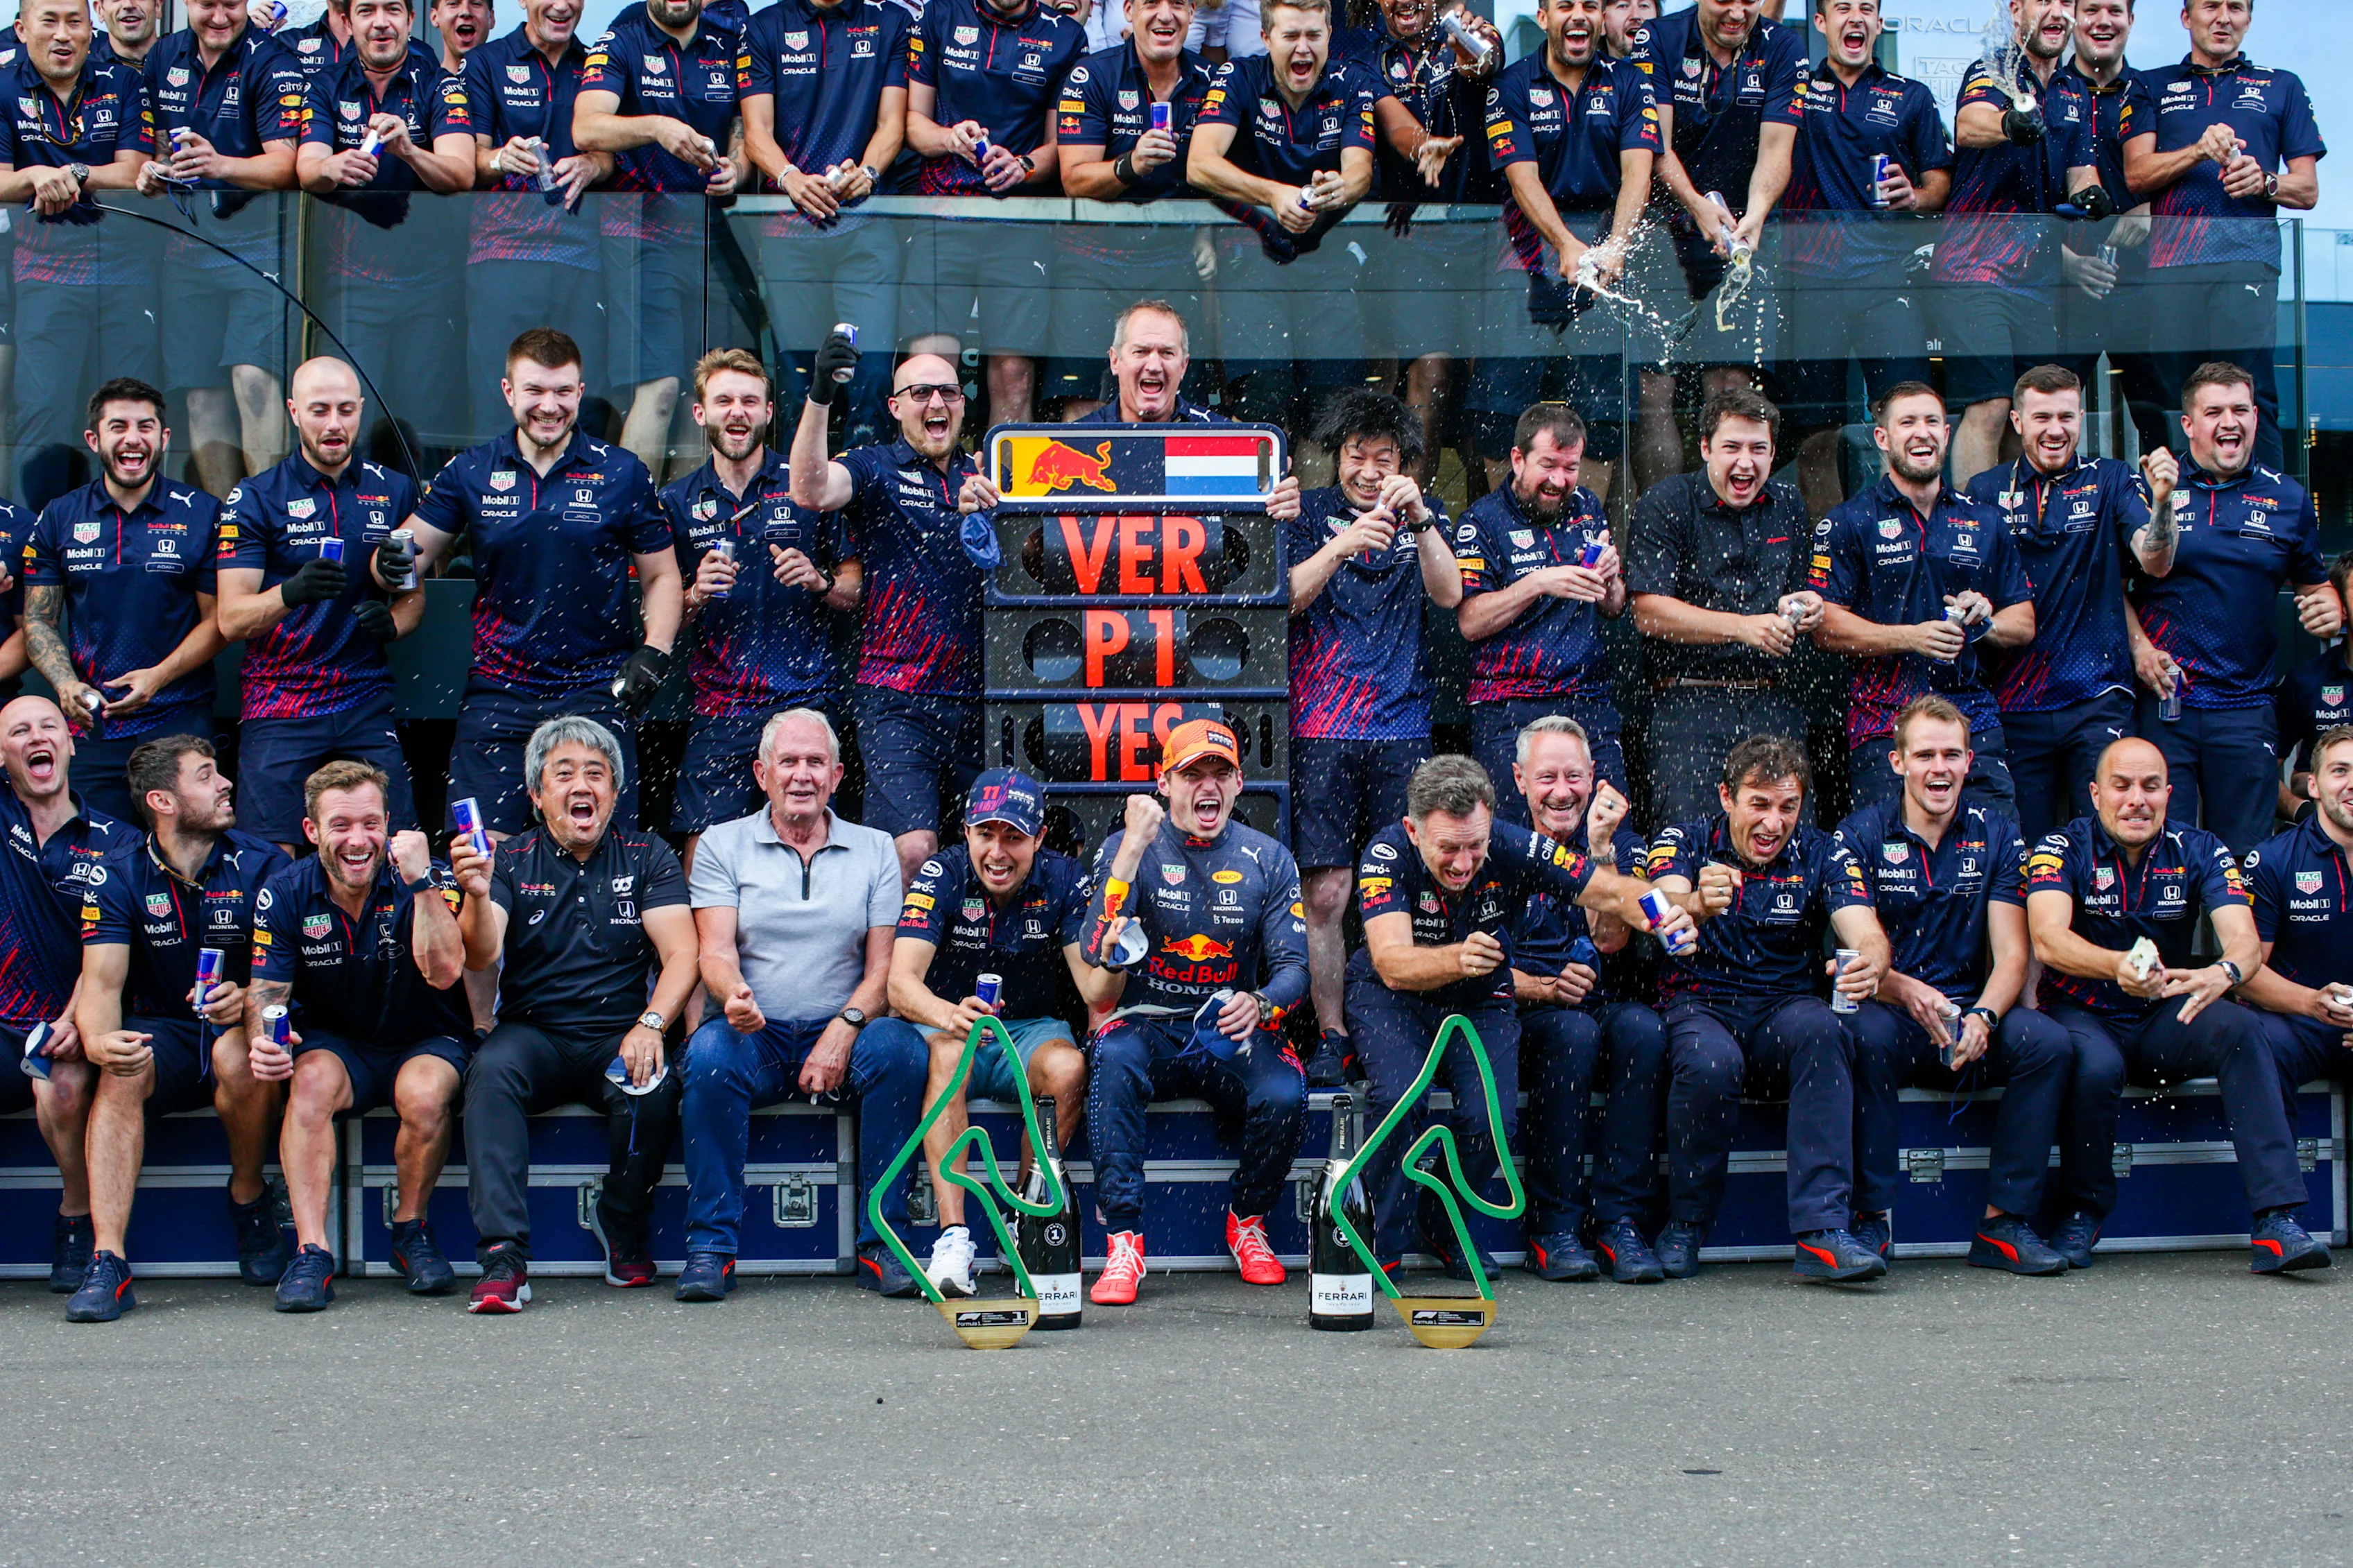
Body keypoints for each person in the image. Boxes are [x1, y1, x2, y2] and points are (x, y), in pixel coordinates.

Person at [1350, 752, 1685, 1279]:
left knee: (1493, 1122)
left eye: (1475, 846)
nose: (1464, 863)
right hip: (1395, 995)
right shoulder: (1386, 852)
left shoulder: (1510, 841)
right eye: (1449, 849)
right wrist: (1456, 957)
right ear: (1415, 831)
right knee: (1398, 1099)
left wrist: (1663, 914)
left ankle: (1444, 1220)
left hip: (1481, 994)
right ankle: (1381, 1238)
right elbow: (1391, 963)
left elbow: (1608, 889)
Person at [2026, 735, 2330, 1275]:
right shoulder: (2059, 847)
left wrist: (2226, 971)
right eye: (2121, 786)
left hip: (2166, 1013)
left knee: (2241, 1027)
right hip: (2084, 1010)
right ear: (2095, 793)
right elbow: (2047, 938)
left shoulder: (2201, 847)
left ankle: (2277, 1219)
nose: (2136, 800)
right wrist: (2116, 965)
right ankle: (2082, 1210)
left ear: (2170, 793)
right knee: (2096, 1064)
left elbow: (2239, 935)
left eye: (2150, 787)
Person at [449, 716, 698, 1312]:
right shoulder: (509, 860)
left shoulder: (648, 853)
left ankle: (621, 1216)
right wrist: (477, 895)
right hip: (533, 1032)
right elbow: (482, 953)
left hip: (618, 1033)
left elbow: (683, 953)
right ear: (537, 795)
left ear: (614, 792)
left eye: (596, 773)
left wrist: (652, 1022)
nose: (581, 784)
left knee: (655, 1086)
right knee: (489, 1073)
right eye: (563, 774)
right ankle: (503, 1254)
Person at [395, 327, 682, 837]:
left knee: (602, 852)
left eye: (562, 392)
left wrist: (656, 653)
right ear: (509, 391)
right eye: (534, 391)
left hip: (596, 690)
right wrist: (379, 560)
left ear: (580, 390)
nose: (549, 406)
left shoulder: (622, 472)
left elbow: (662, 576)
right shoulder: (469, 471)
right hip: (498, 692)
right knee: (479, 857)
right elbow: (405, 556)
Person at [679, 708, 923, 1302]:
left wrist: (845, 1028)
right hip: (755, 1033)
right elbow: (712, 951)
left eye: (816, 762)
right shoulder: (721, 843)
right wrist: (730, 994)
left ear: (838, 775)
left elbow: (884, 968)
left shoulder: (874, 851)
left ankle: (882, 1240)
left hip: (845, 1028)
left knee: (902, 1049)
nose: (802, 775)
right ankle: (711, 1247)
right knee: (708, 1053)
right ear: (763, 774)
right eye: (788, 762)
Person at [1833, 696, 2076, 1275]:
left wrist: (1986, 1017)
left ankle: (2004, 1223)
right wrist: (1907, 990)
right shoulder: (1858, 833)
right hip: (1892, 1011)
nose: (1938, 769)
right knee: (1856, 1032)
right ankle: (1872, 1218)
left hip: (1970, 1018)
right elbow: (1857, 947)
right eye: (1924, 755)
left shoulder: (1998, 832)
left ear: (1971, 761)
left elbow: (2014, 953)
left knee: (2047, 1042)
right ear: (1897, 762)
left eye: (1951, 755)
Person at [1643, 732, 1892, 1282]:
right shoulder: (1685, 838)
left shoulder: (1824, 850)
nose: (1773, 823)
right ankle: (1686, 1220)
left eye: (1787, 807)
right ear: (1727, 797)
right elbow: (1660, 912)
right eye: (1759, 803)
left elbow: (1864, 931)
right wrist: (1695, 904)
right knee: (1712, 1063)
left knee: (1827, 1030)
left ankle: (1823, 1231)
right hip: (1700, 1004)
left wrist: (1870, 962)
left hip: (1783, 1008)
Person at [1079, 718, 1309, 1305]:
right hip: (1148, 1023)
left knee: (1285, 1090)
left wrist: (1258, 1003)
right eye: (1192, 774)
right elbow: (1093, 948)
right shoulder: (1127, 848)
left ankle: (1248, 1220)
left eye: (1220, 774)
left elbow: (1295, 970)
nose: (1207, 787)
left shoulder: (1269, 857)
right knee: (1112, 1053)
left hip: (1224, 1028)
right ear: (1165, 783)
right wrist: (1131, 848)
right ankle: (1125, 1239)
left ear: (1237, 784)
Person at [67, 735, 291, 1322]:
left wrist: (243, 998)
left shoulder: (266, 862)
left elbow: (287, 982)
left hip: (241, 1029)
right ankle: (108, 1259)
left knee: (238, 1057)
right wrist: (98, 1041)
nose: (225, 784)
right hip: (164, 1028)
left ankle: (247, 1196)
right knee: (121, 1065)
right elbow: (99, 987)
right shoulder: (118, 873)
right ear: (163, 801)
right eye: (207, 775)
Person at [871, 767, 1113, 1297]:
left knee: (1070, 1066)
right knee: (947, 1057)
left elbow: (1095, 991)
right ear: (966, 831)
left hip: (1029, 1029)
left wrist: (1114, 956)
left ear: (1040, 838)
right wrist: (944, 1013)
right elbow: (899, 985)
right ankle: (954, 1238)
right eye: (986, 833)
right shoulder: (942, 871)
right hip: (952, 1026)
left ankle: (1022, 1218)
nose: (998, 852)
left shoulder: (1067, 877)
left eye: (1014, 836)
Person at [243, 761, 469, 1310]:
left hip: (424, 1036)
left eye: (371, 823)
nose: (358, 839)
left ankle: (409, 1228)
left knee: (425, 1093)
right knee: (311, 1081)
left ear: (390, 825)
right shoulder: (285, 891)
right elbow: (266, 993)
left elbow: (444, 972)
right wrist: (265, 1041)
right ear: (312, 831)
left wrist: (421, 884)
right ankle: (312, 1252)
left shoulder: (428, 876)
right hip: (340, 1042)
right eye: (340, 825)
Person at [1286, 389, 1460, 1087]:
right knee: (1325, 892)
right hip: (1320, 725)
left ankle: (1397, 1025)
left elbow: (1448, 594)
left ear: (1401, 463)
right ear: (1338, 455)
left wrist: (1418, 518)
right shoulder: (1302, 514)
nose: (1366, 468)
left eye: (1380, 456)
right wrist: (1341, 543)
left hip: (1402, 727)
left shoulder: (1423, 517)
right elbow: (1285, 595)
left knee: (1402, 883)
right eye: (1355, 454)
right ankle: (1330, 1034)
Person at [789, 339, 996, 885]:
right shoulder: (874, 466)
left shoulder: (990, 471)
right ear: (895, 407)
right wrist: (819, 395)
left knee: (991, 852)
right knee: (913, 852)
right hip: (897, 698)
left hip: (986, 696)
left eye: (948, 391)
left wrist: (1003, 515)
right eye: (920, 392)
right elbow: (809, 489)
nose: (936, 402)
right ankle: (898, 973)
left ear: (962, 402)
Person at [214, 357, 426, 858]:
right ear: (293, 412)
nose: (334, 424)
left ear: (360, 410)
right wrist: (291, 593)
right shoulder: (255, 498)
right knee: (268, 860)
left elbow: (415, 599)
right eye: (319, 411)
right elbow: (230, 618)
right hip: (280, 699)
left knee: (399, 848)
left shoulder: (393, 489)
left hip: (363, 696)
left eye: (346, 410)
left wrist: (391, 624)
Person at [2127, 362, 2341, 854]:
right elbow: (2112, 589)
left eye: (2241, 409)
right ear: (2188, 424)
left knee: (2245, 864)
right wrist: (2139, 648)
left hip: (2246, 708)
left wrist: (2330, 609)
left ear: (2255, 417)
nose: (2231, 421)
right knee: (2161, 861)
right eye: (2215, 411)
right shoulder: (2151, 487)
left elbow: (2315, 588)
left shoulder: (2287, 496)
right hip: (2167, 703)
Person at [1965, 363, 2180, 845]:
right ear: (2018, 422)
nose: (2055, 429)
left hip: (2097, 700)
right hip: (2015, 703)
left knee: (2109, 843)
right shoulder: (1984, 491)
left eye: (2066, 416)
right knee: (2024, 852)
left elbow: (2156, 561)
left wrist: (2163, 501)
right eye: (2042, 417)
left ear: (2082, 417)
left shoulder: (2111, 479)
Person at [664, 349, 861, 843]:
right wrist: (693, 595)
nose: (738, 412)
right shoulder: (677, 501)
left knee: (812, 846)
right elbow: (660, 613)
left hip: (805, 703)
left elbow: (855, 592)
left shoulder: (806, 484)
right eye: (724, 400)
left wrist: (819, 581)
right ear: (700, 412)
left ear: (769, 413)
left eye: (750, 401)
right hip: (720, 706)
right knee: (704, 852)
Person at [1811, 381, 2035, 810]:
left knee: (1997, 861)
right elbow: (1824, 625)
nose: (1922, 432)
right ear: (1883, 438)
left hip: (1972, 724)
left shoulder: (1985, 519)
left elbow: (2023, 622)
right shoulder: (1848, 521)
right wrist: (1910, 638)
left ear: (1947, 435)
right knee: (1891, 866)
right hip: (1884, 723)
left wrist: (1983, 621)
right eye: (1908, 422)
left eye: (1932, 421)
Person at [2121, 0, 2322, 474]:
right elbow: (2136, 175)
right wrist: (2197, 151)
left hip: (2246, 261)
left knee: (2249, 395)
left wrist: (2266, 181)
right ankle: (2181, 512)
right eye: (2210, 6)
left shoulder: (2281, 85)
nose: (2223, 17)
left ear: (2249, 19)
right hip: (2172, 266)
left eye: (2236, 7)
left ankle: (2269, 512)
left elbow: (2308, 189)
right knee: (2177, 399)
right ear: (2186, 18)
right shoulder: (2151, 84)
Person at [1505, 715, 1669, 1283]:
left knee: (1644, 1031)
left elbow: (1611, 937)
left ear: (1595, 777)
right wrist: (1541, 986)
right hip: (1517, 1005)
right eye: (1546, 776)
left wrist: (1600, 849)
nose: (1562, 791)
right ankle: (1554, 1227)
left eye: (1574, 776)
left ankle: (1620, 1221)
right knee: (1572, 1034)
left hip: (1595, 1000)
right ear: (1520, 778)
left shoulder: (1624, 842)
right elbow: (1473, 964)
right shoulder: (1498, 841)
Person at [1471, 0, 1654, 504]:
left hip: (1606, 253)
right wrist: (1565, 246)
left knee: (1603, 412)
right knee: (1497, 411)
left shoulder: (1630, 81)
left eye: (1591, 6)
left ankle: (1583, 523)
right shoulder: (1510, 84)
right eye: (1566, 5)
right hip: (1524, 254)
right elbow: (1521, 178)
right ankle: (1504, 530)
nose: (1579, 15)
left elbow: (1639, 172)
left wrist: (1616, 245)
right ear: (1543, 16)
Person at [22, 379, 225, 825]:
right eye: (119, 426)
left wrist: (158, 676)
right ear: (94, 439)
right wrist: (64, 684)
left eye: (145, 426)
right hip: (93, 725)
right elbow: (37, 620)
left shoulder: (203, 513)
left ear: (164, 438)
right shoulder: (60, 516)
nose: (133, 438)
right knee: (94, 860)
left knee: (184, 853)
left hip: (179, 721)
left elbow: (219, 623)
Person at [1779, 0, 1951, 519]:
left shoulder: (1910, 96)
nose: (1855, 18)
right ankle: (1832, 554)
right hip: (1809, 282)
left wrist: (1915, 197)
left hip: (1887, 281)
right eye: (1842, 8)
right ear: (1820, 22)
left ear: (1879, 22)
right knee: (1817, 434)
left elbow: (1940, 182)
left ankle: (1898, 542)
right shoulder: (1792, 91)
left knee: (1907, 420)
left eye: (1867, 8)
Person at [1626, 387, 1823, 827]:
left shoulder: (1788, 504)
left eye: (1759, 449)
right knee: (1684, 844)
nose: (1745, 462)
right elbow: (1648, 612)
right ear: (1704, 448)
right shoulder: (1667, 502)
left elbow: (1798, 593)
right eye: (1731, 447)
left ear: (1774, 454)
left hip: (1773, 700)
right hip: (1688, 702)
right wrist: (1743, 627)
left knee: (1790, 844)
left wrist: (1808, 606)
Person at [293, 0, 477, 465]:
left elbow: (461, 174)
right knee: (351, 410)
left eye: (393, 9)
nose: (381, 22)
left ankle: (427, 529)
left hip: (429, 286)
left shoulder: (440, 83)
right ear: (347, 20)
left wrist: (409, 151)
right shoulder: (324, 84)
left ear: (411, 20)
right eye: (366, 10)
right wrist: (331, 165)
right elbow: (306, 169)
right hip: (353, 287)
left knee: (424, 419)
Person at [132, 0, 303, 497]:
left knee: (253, 384)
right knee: (201, 398)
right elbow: (160, 148)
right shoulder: (163, 56)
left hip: (258, 250)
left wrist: (219, 165)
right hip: (186, 250)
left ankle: (267, 515)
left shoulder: (275, 60)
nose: (220, 16)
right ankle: (227, 526)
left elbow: (285, 166)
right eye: (208, 4)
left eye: (231, 3)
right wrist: (152, 171)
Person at [1625, 0, 1804, 470]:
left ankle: (1729, 513)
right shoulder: (1658, 38)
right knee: (1655, 388)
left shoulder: (1783, 46)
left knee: (1730, 386)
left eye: (1749, 1)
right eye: (1725, 1)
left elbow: (1777, 146)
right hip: (1663, 233)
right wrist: (1696, 205)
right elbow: (1653, 143)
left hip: (1738, 236)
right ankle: (1664, 517)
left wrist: (1758, 215)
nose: (1738, 12)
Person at [1930, 0, 2101, 489]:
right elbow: (1970, 124)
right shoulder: (1995, 69)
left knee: (2027, 410)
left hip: (2037, 278)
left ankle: (2016, 527)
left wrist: (2092, 194)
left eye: (2065, 2)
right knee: (1990, 405)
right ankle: (1974, 531)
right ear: (2016, 10)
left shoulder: (2073, 90)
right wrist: (2010, 125)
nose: (2056, 11)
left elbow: (2080, 172)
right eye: (2042, 1)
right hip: (1973, 270)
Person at [574, 0, 742, 479]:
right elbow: (586, 126)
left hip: (714, 240)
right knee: (662, 390)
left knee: (704, 395)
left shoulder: (729, 44)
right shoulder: (622, 39)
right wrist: (655, 127)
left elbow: (746, 128)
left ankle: (684, 531)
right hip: (642, 234)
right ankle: (631, 528)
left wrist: (738, 164)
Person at [0, 0, 157, 510]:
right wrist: (31, 176)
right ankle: (35, 541)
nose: (63, 35)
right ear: (22, 30)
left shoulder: (123, 82)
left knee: (126, 409)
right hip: (44, 275)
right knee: (44, 410)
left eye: (75, 22)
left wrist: (73, 174)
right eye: (49, 21)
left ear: (91, 29)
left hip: (127, 274)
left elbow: (133, 170)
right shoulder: (2, 86)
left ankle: (119, 534)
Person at [1185, 0, 1377, 415]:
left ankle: (1313, 487)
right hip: (1253, 267)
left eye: (1314, 35)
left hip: (1328, 264)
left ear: (1330, 35)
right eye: (1290, 36)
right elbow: (1199, 165)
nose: (1303, 49)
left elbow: (1360, 172)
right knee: (1261, 406)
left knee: (1332, 418)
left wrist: (1336, 189)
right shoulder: (1237, 76)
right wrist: (1273, 195)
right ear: (1266, 37)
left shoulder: (1351, 81)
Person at [901, 0, 1086, 426]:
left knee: (1013, 374)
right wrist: (949, 138)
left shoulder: (1066, 35)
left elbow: (1065, 146)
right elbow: (911, 123)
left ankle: (1003, 488)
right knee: (931, 369)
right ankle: (928, 486)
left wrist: (1023, 165)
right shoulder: (940, 14)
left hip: (1019, 224)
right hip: (942, 216)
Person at [0, 696, 131, 1293]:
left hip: (65, 1025)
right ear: (3, 756)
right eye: (19, 731)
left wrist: (79, 1016)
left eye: (48, 726)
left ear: (72, 743)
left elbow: (106, 949)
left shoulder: (117, 840)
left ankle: (76, 1211)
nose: (36, 737)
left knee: (62, 1084)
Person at [736, 0, 909, 437]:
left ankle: (865, 493)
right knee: (797, 380)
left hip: (867, 229)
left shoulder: (890, 21)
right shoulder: (764, 27)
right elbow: (756, 133)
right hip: (788, 232)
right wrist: (790, 178)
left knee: (870, 378)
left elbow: (893, 123)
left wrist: (868, 172)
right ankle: (798, 500)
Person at [1453, 402, 1625, 820]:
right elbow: (1470, 622)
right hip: (1509, 707)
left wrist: (1611, 579)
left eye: (1570, 467)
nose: (1559, 480)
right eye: (1547, 465)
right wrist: (1537, 583)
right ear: (1517, 459)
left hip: (1587, 701)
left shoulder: (1588, 508)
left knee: (1611, 837)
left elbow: (1614, 607)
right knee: (1518, 848)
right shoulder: (1481, 521)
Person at [1050, 0, 1216, 417]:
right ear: (1127, 10)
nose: (1165, 15)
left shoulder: (1212, 82)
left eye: (1178, 4)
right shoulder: (1091, 74)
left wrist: (1205, 233)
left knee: (1179, 405)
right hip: (1092, 261)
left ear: (1193, 14)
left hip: (1175, 263)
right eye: (1150, 4)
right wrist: (1132, 165)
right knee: (1085, 405)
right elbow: (1074, 179)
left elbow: (1225, 175)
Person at [459, 0, 613, 433]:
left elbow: (613, 156)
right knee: (499, 398)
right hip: (502, 255)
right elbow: (468, 159)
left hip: (581, 258)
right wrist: (501, 159)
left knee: (581, 397)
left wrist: (593, 165)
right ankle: (498, 497)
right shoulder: (487, 61)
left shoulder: (598, 63)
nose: (562, 5)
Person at [2236, 726, 2353, 1153]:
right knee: (2255, 1041)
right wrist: (2312, 1003)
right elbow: (2243, 974)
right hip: (2295, 1024)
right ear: (2314, 786)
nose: (2352, 783)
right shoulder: (2272, 859)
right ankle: (2281, 1213)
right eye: (2340, 771)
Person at [2274, 552, 2353, 818]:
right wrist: (2300, 810)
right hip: (2330, 842)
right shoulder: (2308, 681)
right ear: (2340, 607)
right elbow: (2260, 771)